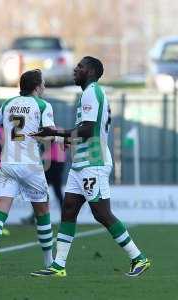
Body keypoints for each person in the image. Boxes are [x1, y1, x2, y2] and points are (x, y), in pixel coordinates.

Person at [29, 56, 150, 277]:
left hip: (93, 163)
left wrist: (55, 132)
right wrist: (65, 138)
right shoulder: (88, 94)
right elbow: (85, 132)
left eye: (81, 66)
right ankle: (58, 266)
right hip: (81, 163)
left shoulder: (92, 92)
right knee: (68, 210)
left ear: (91, 71)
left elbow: (87, 130)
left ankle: (138, 258)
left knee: (102, 213)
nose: (76, 69)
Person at [0, 69, 56, 273]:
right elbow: (48, 135)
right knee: (42, 211)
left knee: (1, 209)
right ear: (36, 86)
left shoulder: (8, 104)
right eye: (43, 83)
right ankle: (49, 261)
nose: (44, 87)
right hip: (31, 165)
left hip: (8, 164)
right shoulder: (43, 105)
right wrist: (49, 138)